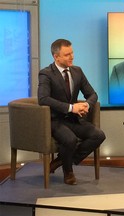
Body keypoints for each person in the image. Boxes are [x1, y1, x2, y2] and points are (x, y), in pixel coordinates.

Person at [38, 39, 106, 185]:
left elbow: (92, 94)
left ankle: (62, 160)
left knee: (98, 135)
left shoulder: (77, 71)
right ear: (56, 57)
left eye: (72, 53)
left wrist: (87, 105)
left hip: (73, 120)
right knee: (70, 139)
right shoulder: (46, 74)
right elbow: (43, 99)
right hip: (54, 120)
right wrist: (71, 107)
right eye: (67, 54)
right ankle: (68, 172)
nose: (72, 57)